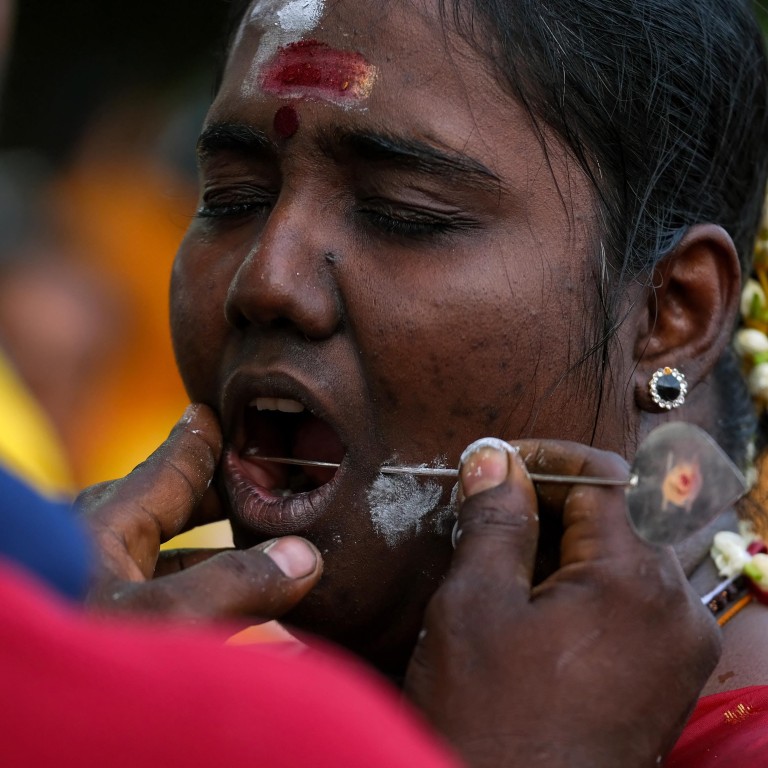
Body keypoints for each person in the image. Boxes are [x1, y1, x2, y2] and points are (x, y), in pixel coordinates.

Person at [76, 0, 768, 764]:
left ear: (672, 312)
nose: (266, 280)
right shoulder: (175, 711)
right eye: (233, 198)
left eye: (403, 212)